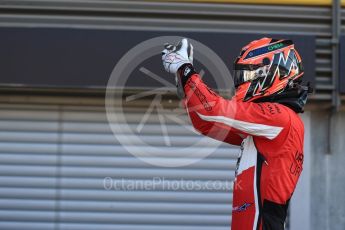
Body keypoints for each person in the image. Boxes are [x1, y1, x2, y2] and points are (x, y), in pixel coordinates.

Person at [161, 38, 312, 230]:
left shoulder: (280, 118)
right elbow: (206, 123)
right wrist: (185, 80)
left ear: (270, 73)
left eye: (246, 75)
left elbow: (212, 111)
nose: (240, 82)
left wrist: (186, 69)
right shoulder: (268, 126)